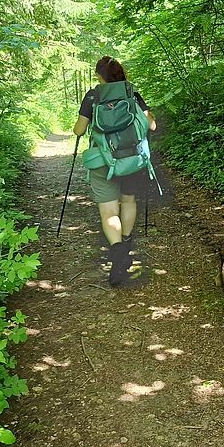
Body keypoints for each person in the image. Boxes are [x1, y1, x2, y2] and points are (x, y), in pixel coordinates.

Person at [73, 56, 157, 286]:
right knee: (128, 201)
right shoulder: (132, 93)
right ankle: (127, 244)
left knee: (109, 210)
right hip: (131, 159)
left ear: (100, 76)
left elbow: (79, 131)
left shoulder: (93, 95)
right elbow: (152, 125)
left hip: (103, 160)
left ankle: (118, 253)